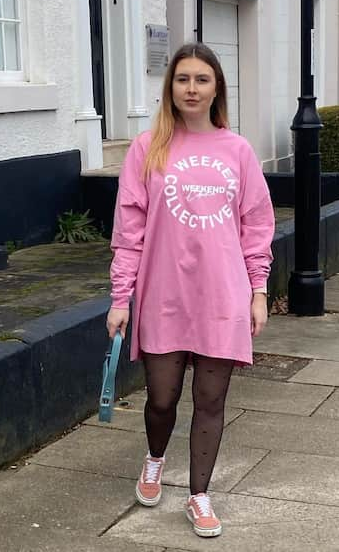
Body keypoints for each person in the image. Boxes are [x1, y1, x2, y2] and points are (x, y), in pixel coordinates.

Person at [106, 42, 275, 538]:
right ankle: (155, 458)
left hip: (223, 296)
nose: (192, 88)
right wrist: (120, 298)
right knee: (161, 398)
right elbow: (128, 229)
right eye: (183, 79)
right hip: (163, 294)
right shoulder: (147, 147)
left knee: (210, 399)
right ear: (170, 87)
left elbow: (256, 226)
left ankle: (199, 495)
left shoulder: (237, 150)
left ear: (216, 86)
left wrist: (258, 290)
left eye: (202, 79)